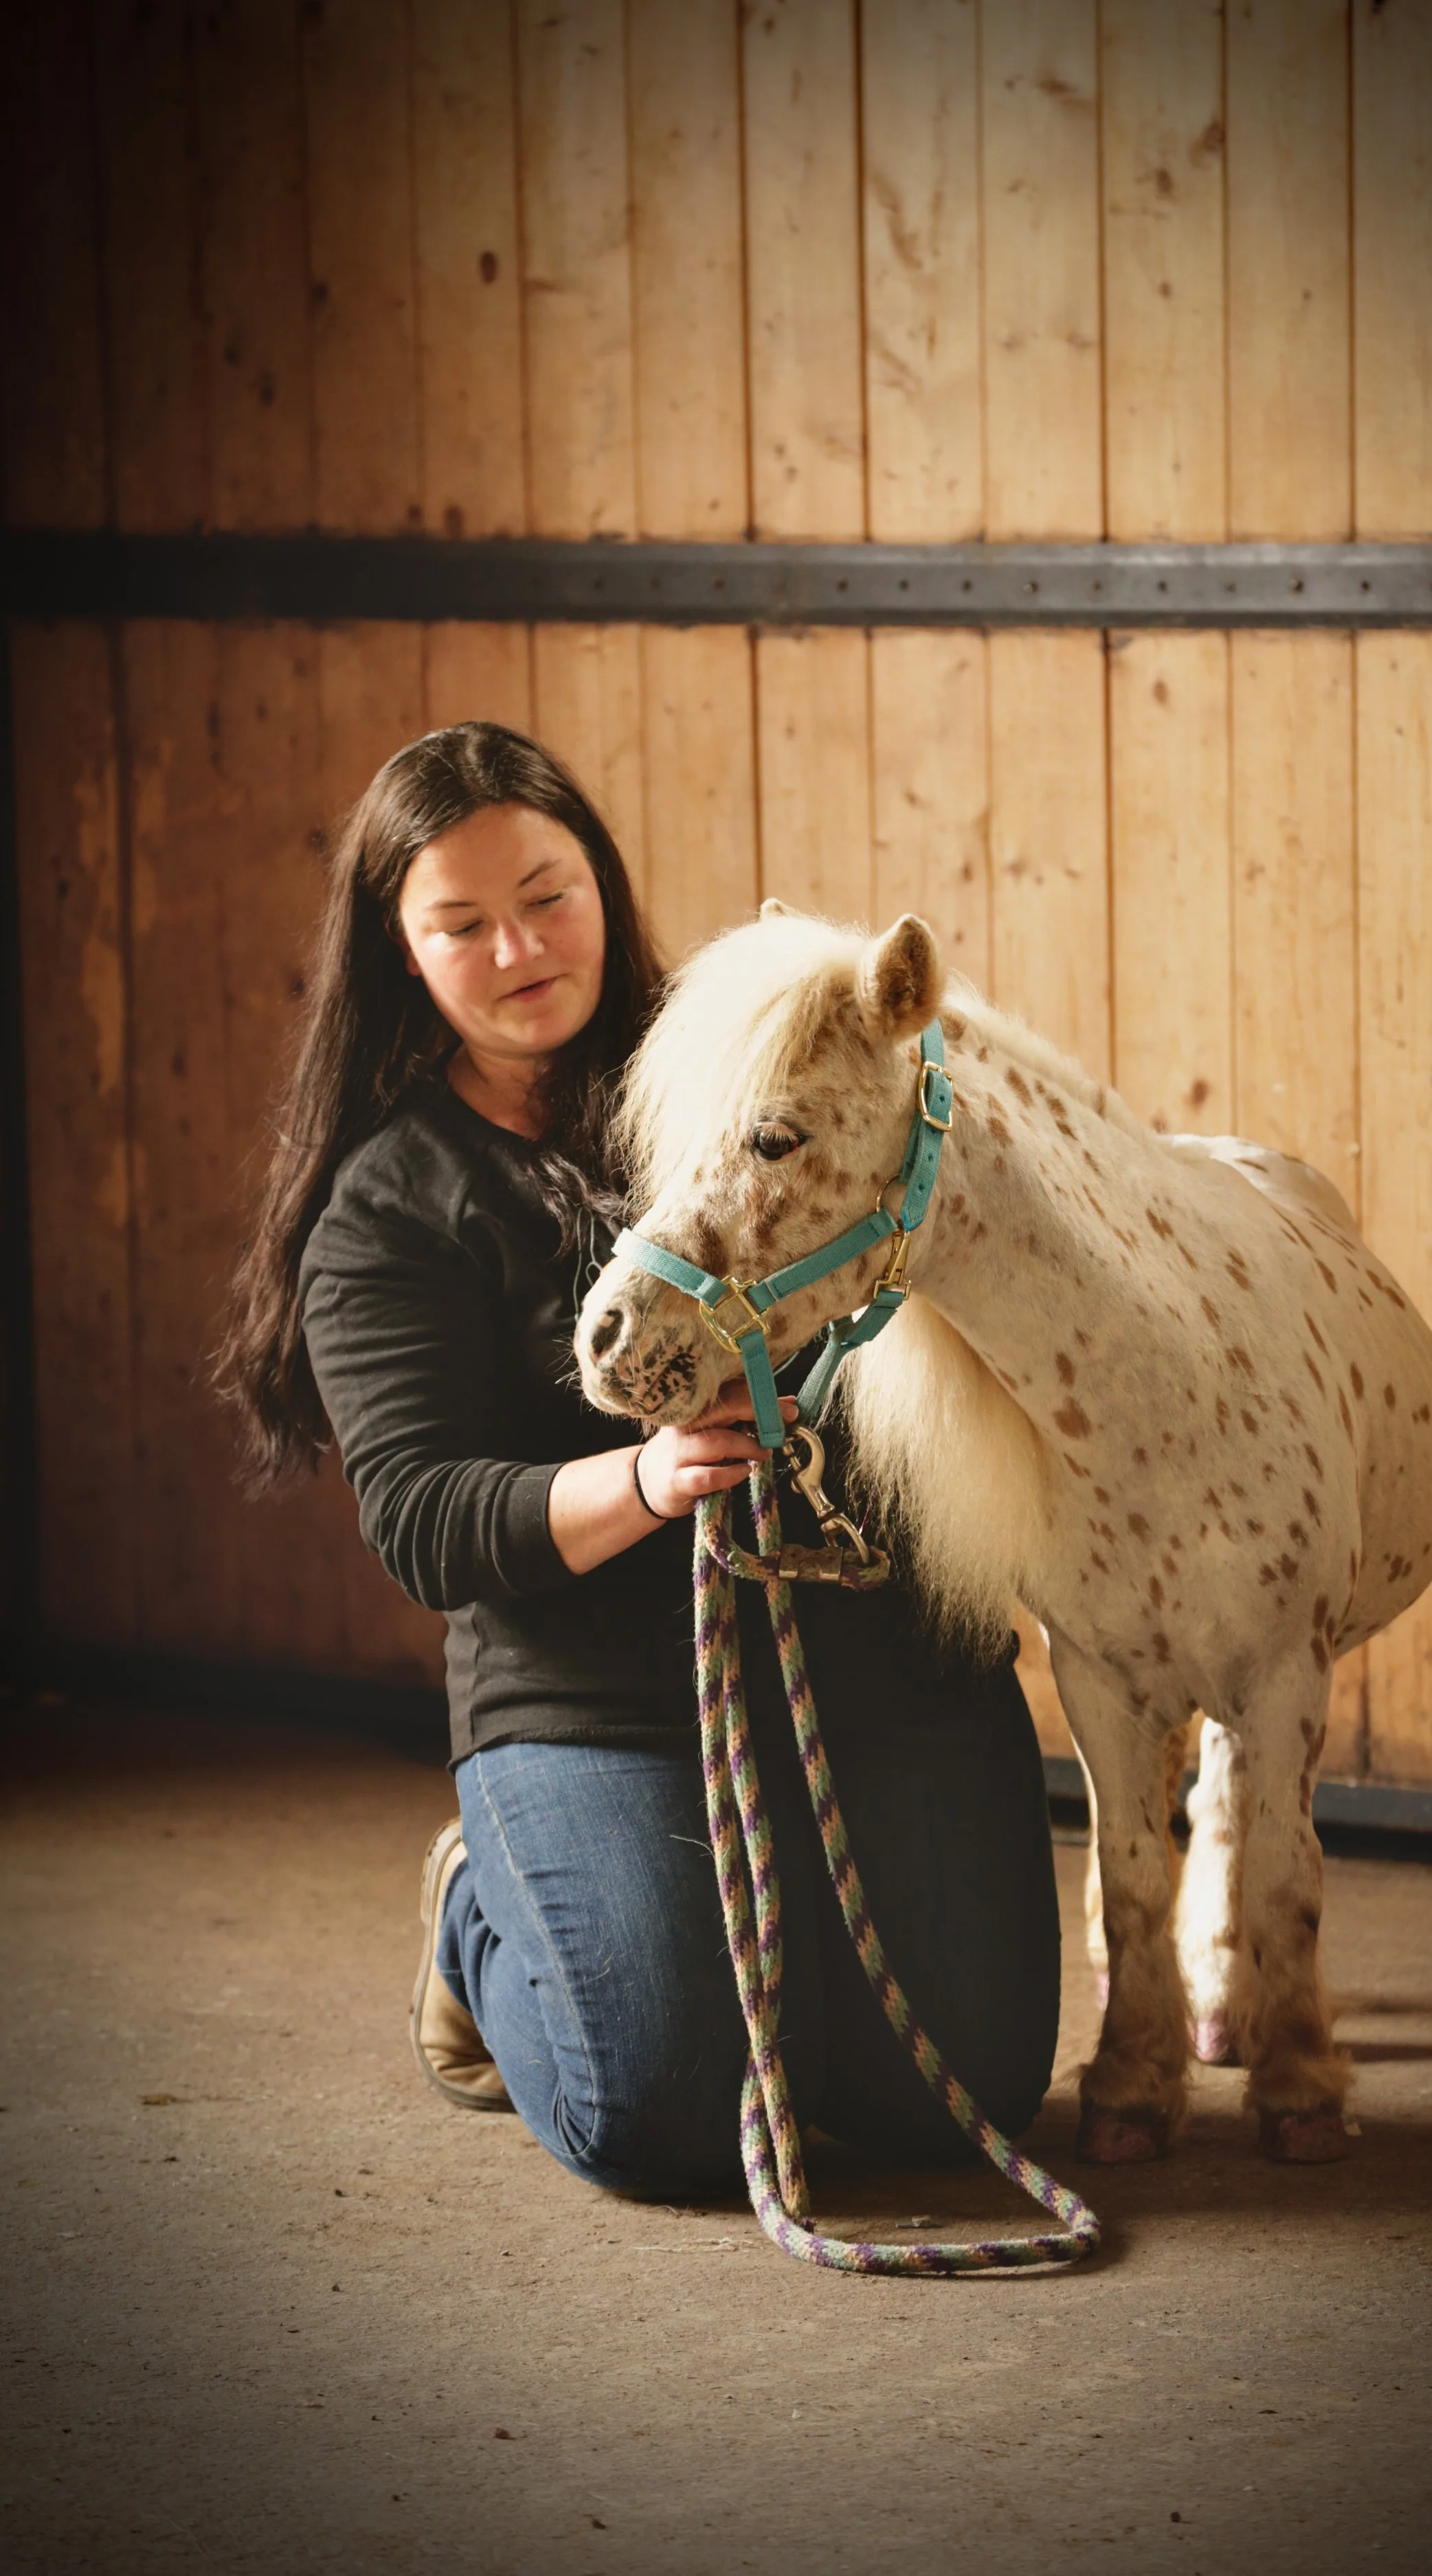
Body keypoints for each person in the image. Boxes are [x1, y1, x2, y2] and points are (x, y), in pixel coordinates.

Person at [219, 721, 1061, 2202]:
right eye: (460, 924)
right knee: (665, 2116)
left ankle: (766, 1927)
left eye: (547, 895)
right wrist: (648, 1482)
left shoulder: (759, 1061)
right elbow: (421, 1520)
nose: (519, 947)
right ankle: (484, 1919)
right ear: (397, 953)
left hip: (882, 1654)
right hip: (601, 1699)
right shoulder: (391, 1202)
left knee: (958, 2107)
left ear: (599, 881)